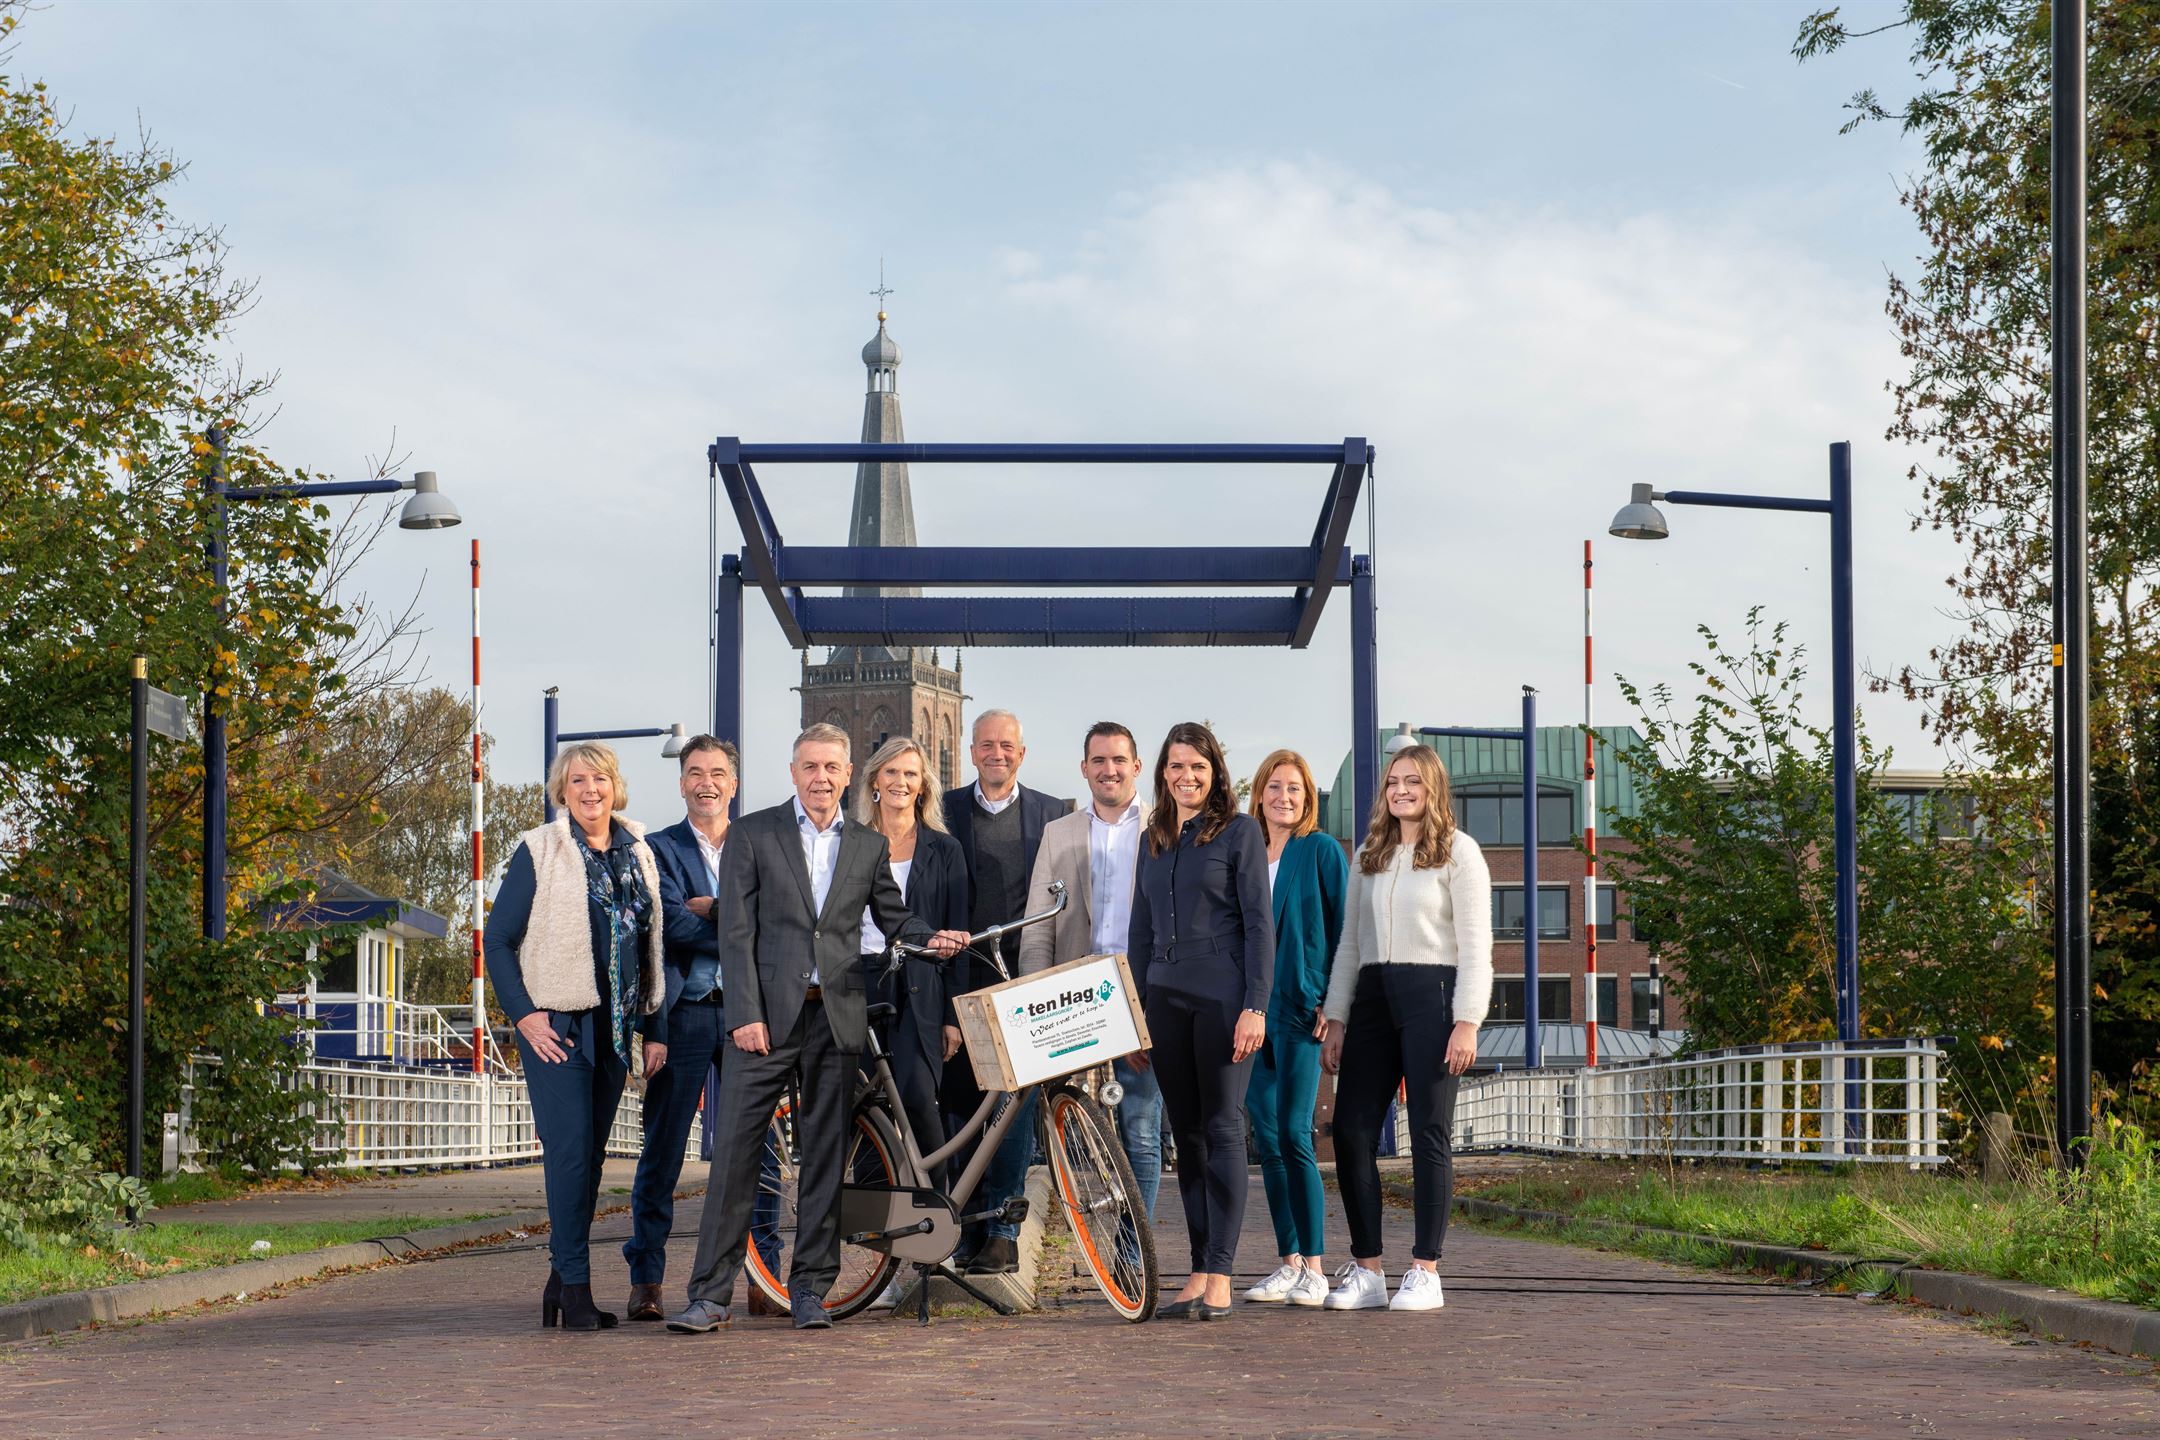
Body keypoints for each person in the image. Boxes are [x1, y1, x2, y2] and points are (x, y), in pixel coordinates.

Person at [669, 724, 966, 1334]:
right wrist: (744, 1014)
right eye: (810, 766)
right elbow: (736, 933)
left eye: (832, 767)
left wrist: (929, 938)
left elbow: (893, 914)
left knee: (827, 1156)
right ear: (793, 771)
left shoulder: (864, 843)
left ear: (848, 772)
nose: (821, 778)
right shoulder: (754, 833)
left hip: (837, 1017)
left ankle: (809, 1290)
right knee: (735, 1157)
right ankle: (710, 1295)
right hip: (767, 1020)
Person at [483, 741, 665, 1331]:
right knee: (567, 1157)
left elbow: (651, 948)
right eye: (579, 780)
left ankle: (560, 1282)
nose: (592, 789)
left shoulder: (639, 851)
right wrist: (525, 1016)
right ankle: (578, 1289)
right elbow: (498, 942)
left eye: (602, 778)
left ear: (617, 786)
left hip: (614, 1033)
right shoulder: (540, 850)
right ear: (563, 791)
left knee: (588, 1164)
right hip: (558, 1029)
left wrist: (652, 1025)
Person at [1319, 744, 1492, 1314]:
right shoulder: (1369, 853)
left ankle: (1425, 1270)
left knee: (1428, 1133)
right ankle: (1368, 1270)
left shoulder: (1459, 853)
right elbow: (1348, 942)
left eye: (1413, 781)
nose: (1401, 790)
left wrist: (1467, 1021)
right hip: (1371, 997)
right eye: (1393, 781)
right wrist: (1337, 1014)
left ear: (1433, 787)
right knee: (1351, 1130)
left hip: (1434, 997)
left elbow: (1476, 946)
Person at [622, 736, 782, 1321]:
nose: (707, 783)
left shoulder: (763, 843)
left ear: (734, 783)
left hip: (750, 1014)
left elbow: (777, 927)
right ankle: (646, 1278)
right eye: (695, 773)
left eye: (718, 772)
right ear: (682, 782)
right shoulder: (656, 849)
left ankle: (765, 1276)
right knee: (662, 1152)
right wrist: (742, 923)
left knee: (757, 1151)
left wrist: (711, 910)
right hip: (685, 1014)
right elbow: (666, 931)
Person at [1128, 721, 1273, 1321]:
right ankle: (1196, 1270)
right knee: (1183, 1136)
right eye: (1175, 766)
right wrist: (1132, 1014)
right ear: (1163, 773)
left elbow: (1261, 924)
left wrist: (1256, 1006)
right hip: (1164, 998)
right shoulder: (1154, 838)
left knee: (1220, 1128)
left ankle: (1222, 1272)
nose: (1186, 776)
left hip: (1222, 998)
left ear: (1214, 772)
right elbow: (1139, 930)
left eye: (1198, 766)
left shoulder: (1240, 833)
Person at [1016, 721, 1164, 1224]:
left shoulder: (1164, 828)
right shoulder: (1059, 834)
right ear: (1084, 769)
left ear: (1137, 767)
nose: (1109, 770)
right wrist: (1034, 1007)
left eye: (1119, 760)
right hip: (1074, 995)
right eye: (1099, 761)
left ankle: (1131, 1248)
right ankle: (1092, 1229)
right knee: (1072, 1122)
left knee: (1141, 1129)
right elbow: (1038, 927)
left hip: (1141, 992)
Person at [939, 708, 1070, 1276]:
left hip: (1024, 978)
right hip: (960, 979)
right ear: (972, 752)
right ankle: (965, 1227)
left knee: (1017, 1103)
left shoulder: (1053, 815)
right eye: (987, 744)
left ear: (1022, 753)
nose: (997, 753)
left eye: (1007, 745)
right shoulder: (943, 811)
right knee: (964, 1106)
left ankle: (1002, 1230)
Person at [1240, 749, 1349, 1309]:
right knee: (1269, 1142)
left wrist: (1335, 1003)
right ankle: (1287, 1263)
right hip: (1250, 1014)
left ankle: (1316, 1267)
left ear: (1308, 800)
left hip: (1304, 1011)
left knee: (1297, 1134)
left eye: (1296, 790)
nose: (1285, 797)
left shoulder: (1321, 851)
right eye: (1276, 787)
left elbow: (1345, 929)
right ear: (1259, 792)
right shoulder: (1245, 852)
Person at [855, 735, 969, 1187]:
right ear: (874, 781)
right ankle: (873, 1223)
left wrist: (952, 1016)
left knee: (920, 1100)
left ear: (922, 786)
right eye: (891, 772)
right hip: (859, 983)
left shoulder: (946, 851)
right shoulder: (849, 844)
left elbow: (957, 936)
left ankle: (937, 1219)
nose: (901, 781)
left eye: (911, 774)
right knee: (864, 1107)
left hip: (922, 988)